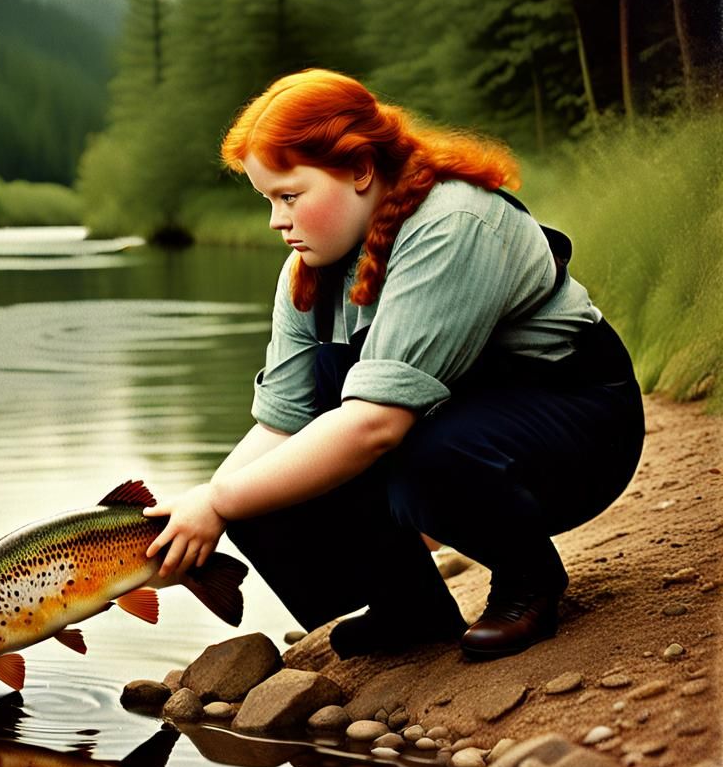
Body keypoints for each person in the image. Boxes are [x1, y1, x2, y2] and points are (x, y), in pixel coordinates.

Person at [143, 69, 645, 661]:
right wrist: (204, 511)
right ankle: (410, 608)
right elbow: (280, 425)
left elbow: (376, 425)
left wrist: (222, 500)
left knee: (412, 454)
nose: (277, 220)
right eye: (267, 200)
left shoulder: (452, 224)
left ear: (359, 170)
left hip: (578, 427)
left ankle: (529, 581)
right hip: (464, 422)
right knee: (257, 485)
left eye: (290, 196)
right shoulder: (308, 268)